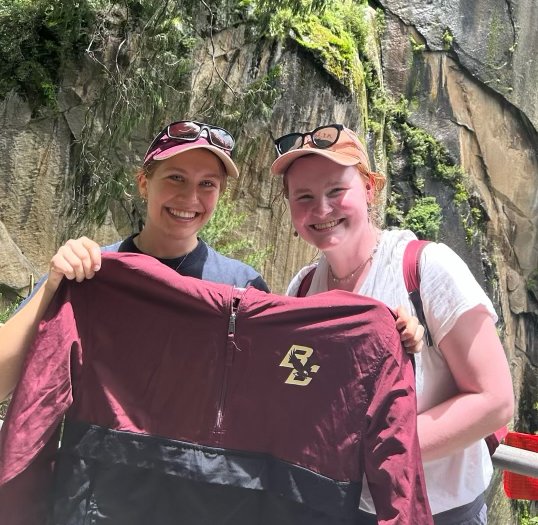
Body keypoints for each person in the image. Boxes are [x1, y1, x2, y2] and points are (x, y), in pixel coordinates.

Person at [0, 119, 422, 402]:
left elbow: (286, 388)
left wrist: (387, 331)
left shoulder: (240, 286)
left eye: (207, 184)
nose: (190, 199)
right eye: (176, 179)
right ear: (145, 183)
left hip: (199, 507)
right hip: (98, 499)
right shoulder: (93, 271)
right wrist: (56, 283)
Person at [274, 123, 516, 525]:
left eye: (336, 190)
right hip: (341, 514)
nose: (320, 208)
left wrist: (381, 449)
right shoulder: (302, 288)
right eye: (303, 196)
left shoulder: (425, 269)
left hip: (433, 521)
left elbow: (496, 400)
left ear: (368, 187)